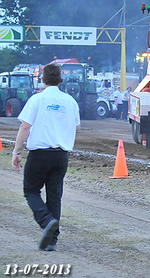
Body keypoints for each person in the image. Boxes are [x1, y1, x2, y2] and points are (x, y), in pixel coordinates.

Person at [12, 63, 81, 251]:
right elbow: (77, 127)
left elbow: (25, 127)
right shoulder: (70, 102)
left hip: (39, 154)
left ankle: (47, 221)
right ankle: (52, 241)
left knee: (31, 191)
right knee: (54, 196)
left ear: (42, 80)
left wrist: (16, 151)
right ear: (61, 80)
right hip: (61, 156)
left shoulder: (37, 99)